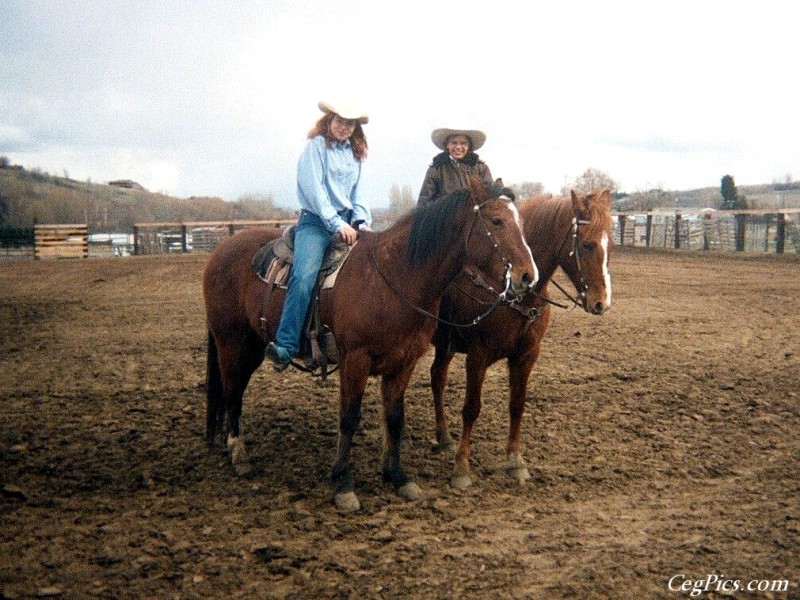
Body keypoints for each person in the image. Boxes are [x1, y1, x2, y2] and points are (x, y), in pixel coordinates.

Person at [265, 100, 372, 369]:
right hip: (316, 223)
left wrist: (362, 220)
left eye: (350, 123)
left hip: (348, 223)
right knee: (304, 276)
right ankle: (287, 345)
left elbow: (359, 191)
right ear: (329, 120)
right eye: (340, 121)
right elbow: (315, 192)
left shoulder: (355, 154)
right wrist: (336, 224)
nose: (344, 127)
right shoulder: (314, 148)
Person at [417, 127, 495, 206]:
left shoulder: (481, 168)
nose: (458, 147)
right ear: (447, 145)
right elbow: (424, 201)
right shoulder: (436, 169)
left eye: (463, 143)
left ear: (468, 146)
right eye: (454, 143)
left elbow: (490, 196)